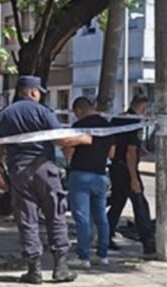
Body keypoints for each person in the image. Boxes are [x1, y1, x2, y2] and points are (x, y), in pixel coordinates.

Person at [0, 76, 92, 285]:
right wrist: (84, 138)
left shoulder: (4, 115)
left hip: (18, 170)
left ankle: (33, 270)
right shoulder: (42, 111)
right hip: (44, 168)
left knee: (27, 218)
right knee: (55, 213)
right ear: (33, 92)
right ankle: (60, 267)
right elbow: (61, 139)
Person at [65, 97, 115, 269]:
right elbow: (112, 153)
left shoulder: (80, 127)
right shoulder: (108, 126)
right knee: (101, 217)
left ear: (79, 110)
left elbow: (68, 153)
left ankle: (83, 256)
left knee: (82, 218)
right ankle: (103, 254)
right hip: (100, 176)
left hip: (80, 174)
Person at [107, 95, 155, 256]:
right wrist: (134, 178)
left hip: (115, 167)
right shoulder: (134, 123)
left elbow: (116, 146)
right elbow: (130, 153)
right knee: (140, 204)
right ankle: (148, 243)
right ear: (143, 108)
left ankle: (105, 237)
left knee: (117, 202)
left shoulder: (118, 119)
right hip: (127, 169)